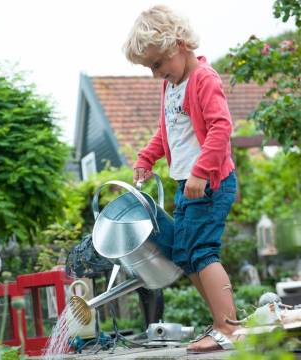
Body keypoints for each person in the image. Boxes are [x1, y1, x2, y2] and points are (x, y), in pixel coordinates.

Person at [123, 5, 242, 353]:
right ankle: (223, 322)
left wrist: (200, 172)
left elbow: (222, 129)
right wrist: (146, 157)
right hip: (186, 185)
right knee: (185, 254)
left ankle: (228, 327)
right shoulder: (171, 86)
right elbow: (168, 131)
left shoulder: (203, 79)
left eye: (157, 64)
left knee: (203, 251)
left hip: (210, 183)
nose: (155, 74)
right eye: (151, 68)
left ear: (178, 44)